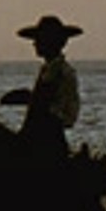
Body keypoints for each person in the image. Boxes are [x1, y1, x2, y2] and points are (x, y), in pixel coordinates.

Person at [17, 15, 82, 150]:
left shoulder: (60, 72)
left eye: (39, 40)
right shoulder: (52, 69)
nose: (35, 44)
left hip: (48, 140)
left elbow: (48, 110)